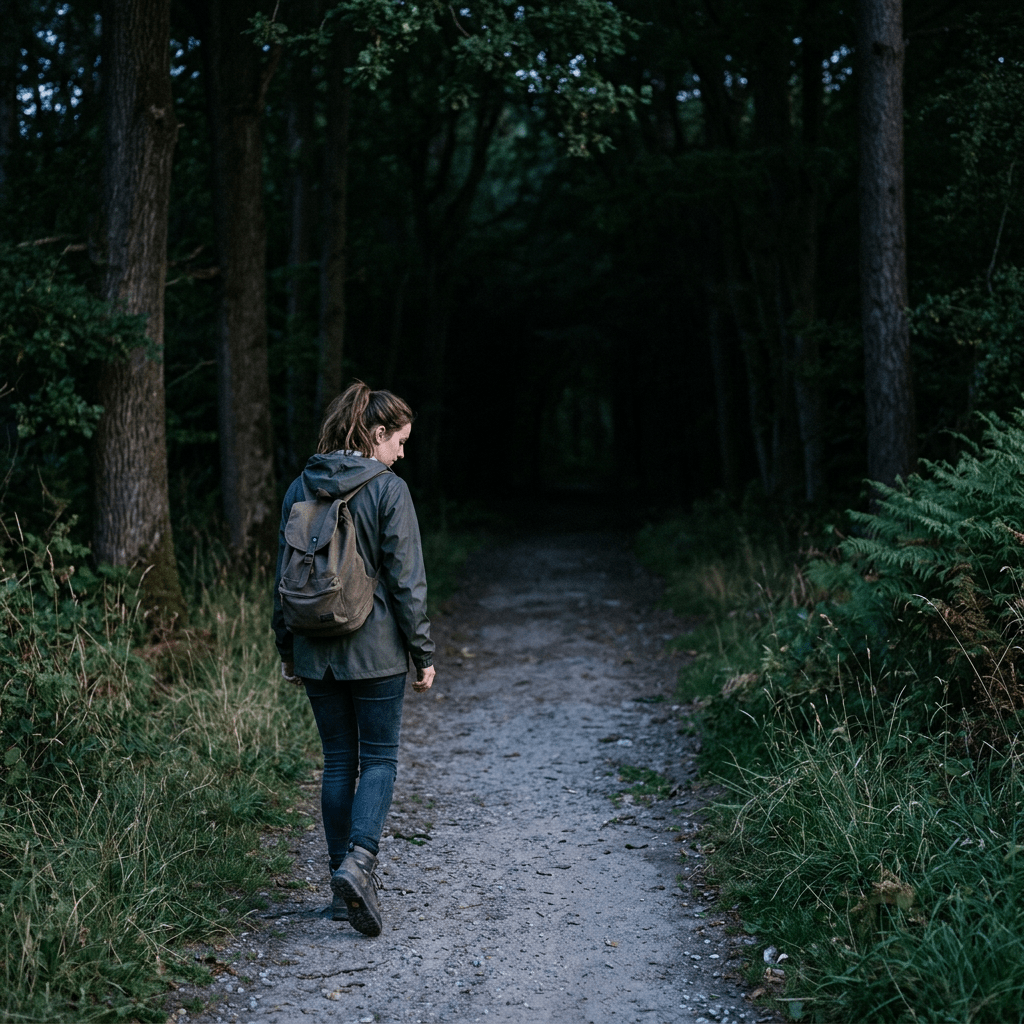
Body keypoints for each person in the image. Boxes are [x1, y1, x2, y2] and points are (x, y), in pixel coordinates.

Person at [272, 380, 435, 937]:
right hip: (377, 648)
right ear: (376, 433)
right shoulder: (389, 490)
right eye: (400, 440)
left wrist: (287, 647)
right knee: (381, 759)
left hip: (316, 650)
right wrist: (424, 653)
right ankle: (359, 864)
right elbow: (407, 581)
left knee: (339, 761)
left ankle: (339, 893)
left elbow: (282, 580)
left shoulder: (301, 484)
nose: (402, 452)